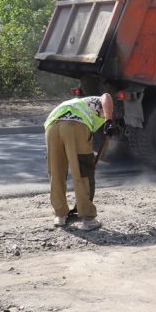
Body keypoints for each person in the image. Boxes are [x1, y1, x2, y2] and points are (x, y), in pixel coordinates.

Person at [44, 93, 115, 230]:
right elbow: (106, 96)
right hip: (76, 125)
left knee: (55, 172)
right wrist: (109, 120)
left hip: (52, 127)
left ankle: (60, 216)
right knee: (83, 171)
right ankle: (87, 219)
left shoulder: (77, 103)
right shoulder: (99, 103)